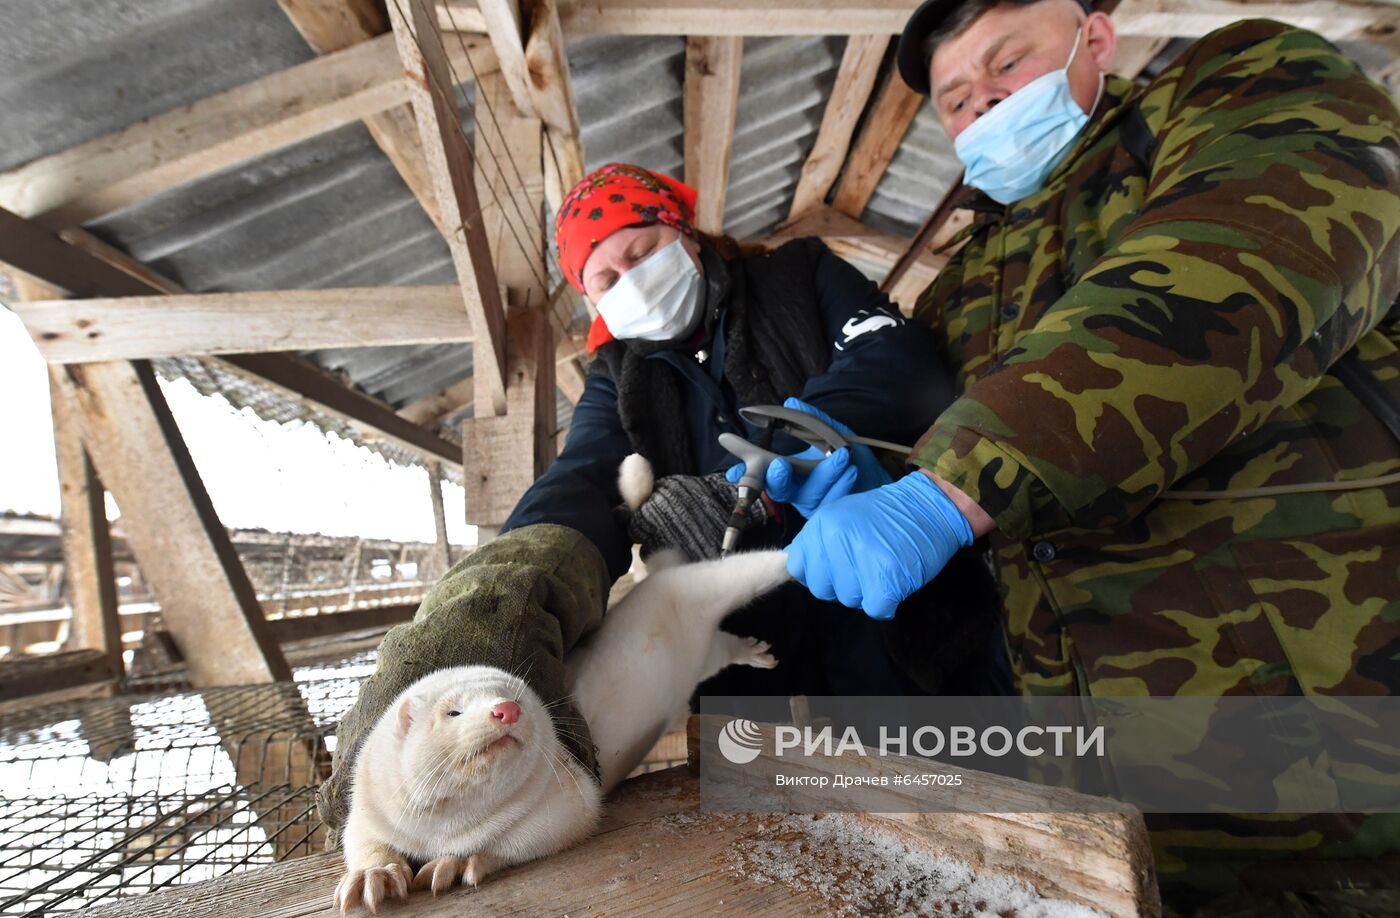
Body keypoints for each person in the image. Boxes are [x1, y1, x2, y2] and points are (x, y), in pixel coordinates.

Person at [777, 0, 1400, 909]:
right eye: (955, 99)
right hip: (1099, 787)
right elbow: (1005, 532)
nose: (982, 105)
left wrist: (953, 487)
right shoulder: (960, 289)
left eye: (1006, 63)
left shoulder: (1240, 86)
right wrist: (892, 481)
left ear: (1094, 38)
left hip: (1335, 750)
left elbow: (1247, 259)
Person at [317, 163, 1004, 843]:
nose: (631, 279)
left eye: (640, 251)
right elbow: (583, 477)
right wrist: (504, 586)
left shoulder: (800, 275)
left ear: (684, 236)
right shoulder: (619, 375)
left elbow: (899, 361)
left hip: (882, 593)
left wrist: (767, 464)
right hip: (738, 629)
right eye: (606, 278)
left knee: (953, 798)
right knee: (760, 831)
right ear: (594, 306)